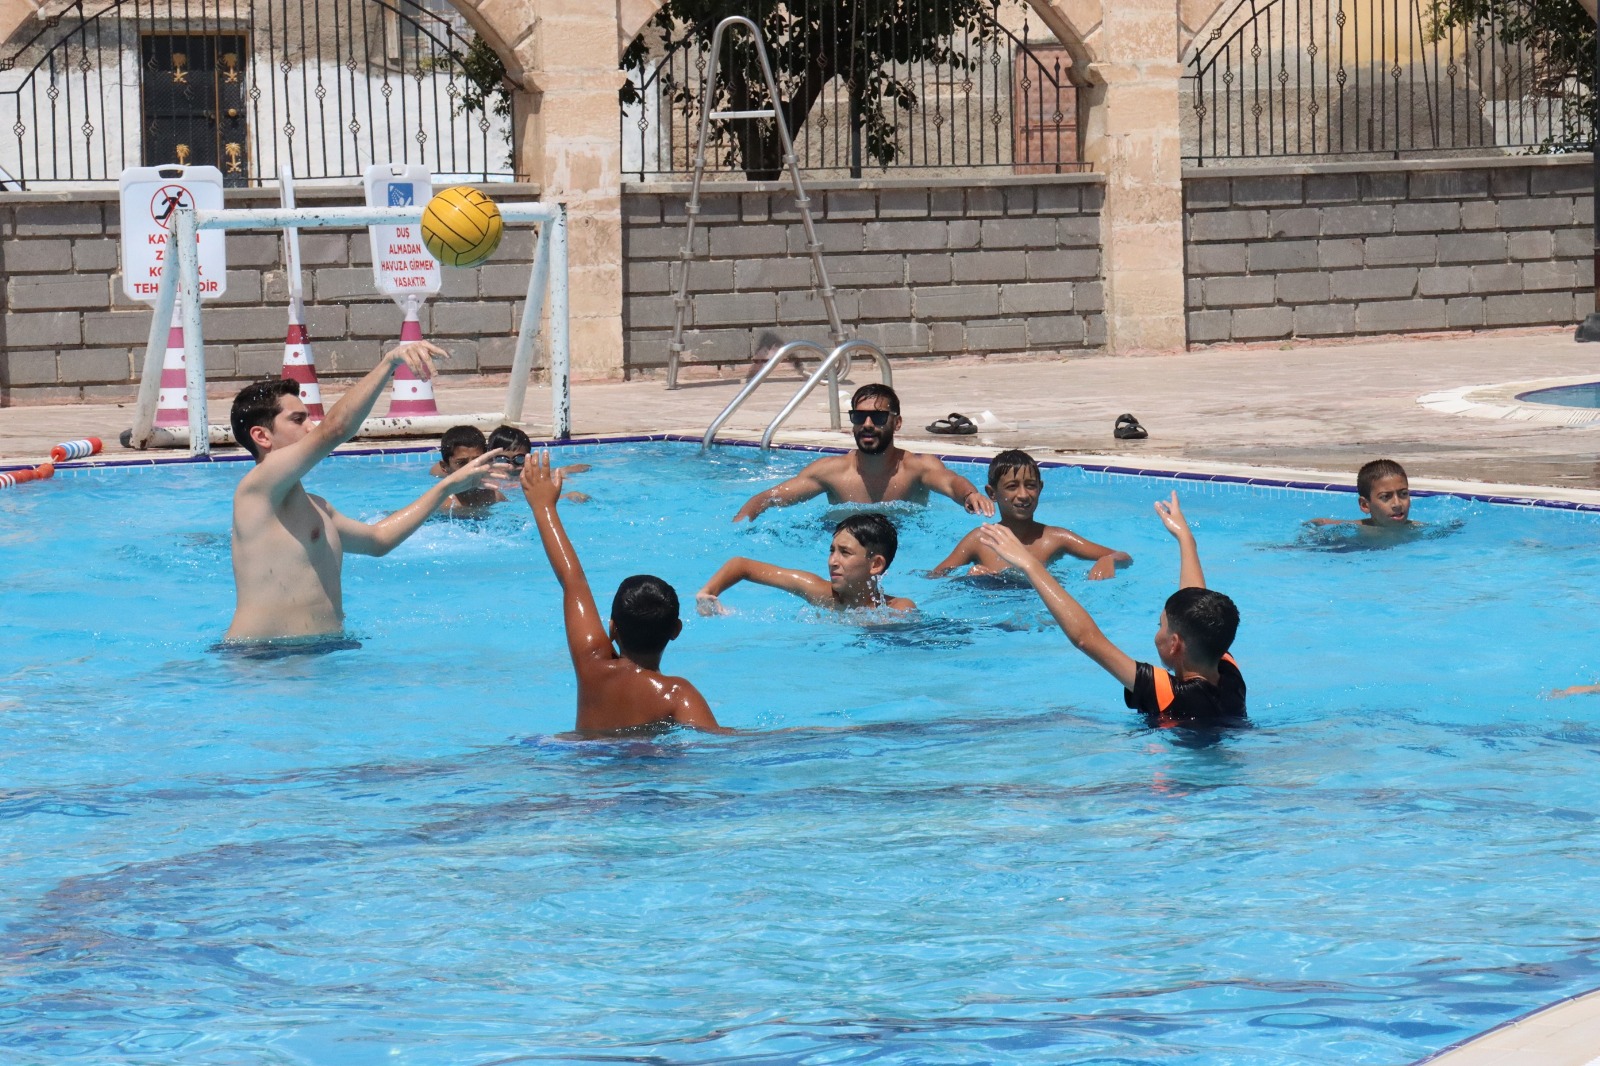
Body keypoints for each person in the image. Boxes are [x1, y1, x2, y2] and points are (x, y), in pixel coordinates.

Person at [224, 342, 506, 643]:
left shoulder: (318, 507)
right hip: (263, 660)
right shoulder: (256, 490)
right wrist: (389, 364)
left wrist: (446, 487)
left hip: (320, 652)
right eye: (298, 419)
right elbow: (334, 430)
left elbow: (378, 541)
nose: (311, 426)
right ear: (261, 436)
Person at [980, 492, 1246, 729]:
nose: (1157, 633)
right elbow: (1195, 608)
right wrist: (1185, 539)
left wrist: (1030, 564)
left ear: (1175, 643)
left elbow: (1086, 638)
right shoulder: (1228, 676)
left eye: (1160, 626)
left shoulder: (1170, 694)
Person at [521, 451, 724, 734]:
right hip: (640, 775)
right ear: (676, 629)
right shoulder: (676, 693)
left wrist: (543, 507)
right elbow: (723, 745)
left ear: (613, 627)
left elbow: (572, 580)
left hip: (584, 768)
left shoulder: (592, 665)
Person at [733, 383, 996, 522]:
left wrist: (970, 495)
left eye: (878, 417)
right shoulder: (830, 472)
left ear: (897, 422)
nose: (868, 424)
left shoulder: (916, 468)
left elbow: (951, 482)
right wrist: (739, 529)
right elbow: (767, 498)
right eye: (859, 416)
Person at [933, 450, 1132, 580]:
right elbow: (936, 576)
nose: (1023, 495)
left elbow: (1123, 556)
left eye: (1030, 486)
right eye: (1012, 487)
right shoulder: (981, 539)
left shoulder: (1054, 538)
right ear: (992, 493)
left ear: (1040, 488)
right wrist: (971, 580)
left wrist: (1108, 560)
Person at [697, 513, 915, 616]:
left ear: (875, 564)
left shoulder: (898, 609)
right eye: (832, 551)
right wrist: (707, 594)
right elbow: (741, 565)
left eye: (845, 553)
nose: (832, 561)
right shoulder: (819, 593)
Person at [489, 424, 591, 504]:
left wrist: (562, 473)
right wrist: (564, 497)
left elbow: (584, 467)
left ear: (530, 459)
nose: (510, 466)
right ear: (490, 459)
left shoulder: (538, 477)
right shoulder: (488, 481)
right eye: (502, 460)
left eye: (519, 459)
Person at [1311, 459, 1415, 530]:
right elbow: (1319, 522)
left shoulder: (1424, 531)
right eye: (1385, 497)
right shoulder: (1352, 530)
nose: (1397, 504)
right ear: (1365, 505)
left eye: (1403, 494)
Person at [433, 425, 499, 515]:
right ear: (445, 467)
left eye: (477, 461)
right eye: (462, 463)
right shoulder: (442, 506)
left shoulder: (494, 497)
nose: (471, 469)